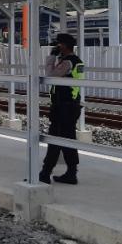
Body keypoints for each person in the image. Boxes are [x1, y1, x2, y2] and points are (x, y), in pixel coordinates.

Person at [39, 32, 85, 185]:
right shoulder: (76, 61)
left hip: (63, 108)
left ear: (64, 45)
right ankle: (72, 173)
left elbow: (50, 75)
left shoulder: (67, 63)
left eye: (58, 44)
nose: (56, 46)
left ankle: (45, 173)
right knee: (68, 140)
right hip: (71, 106)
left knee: (55, 139)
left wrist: (51, 57)